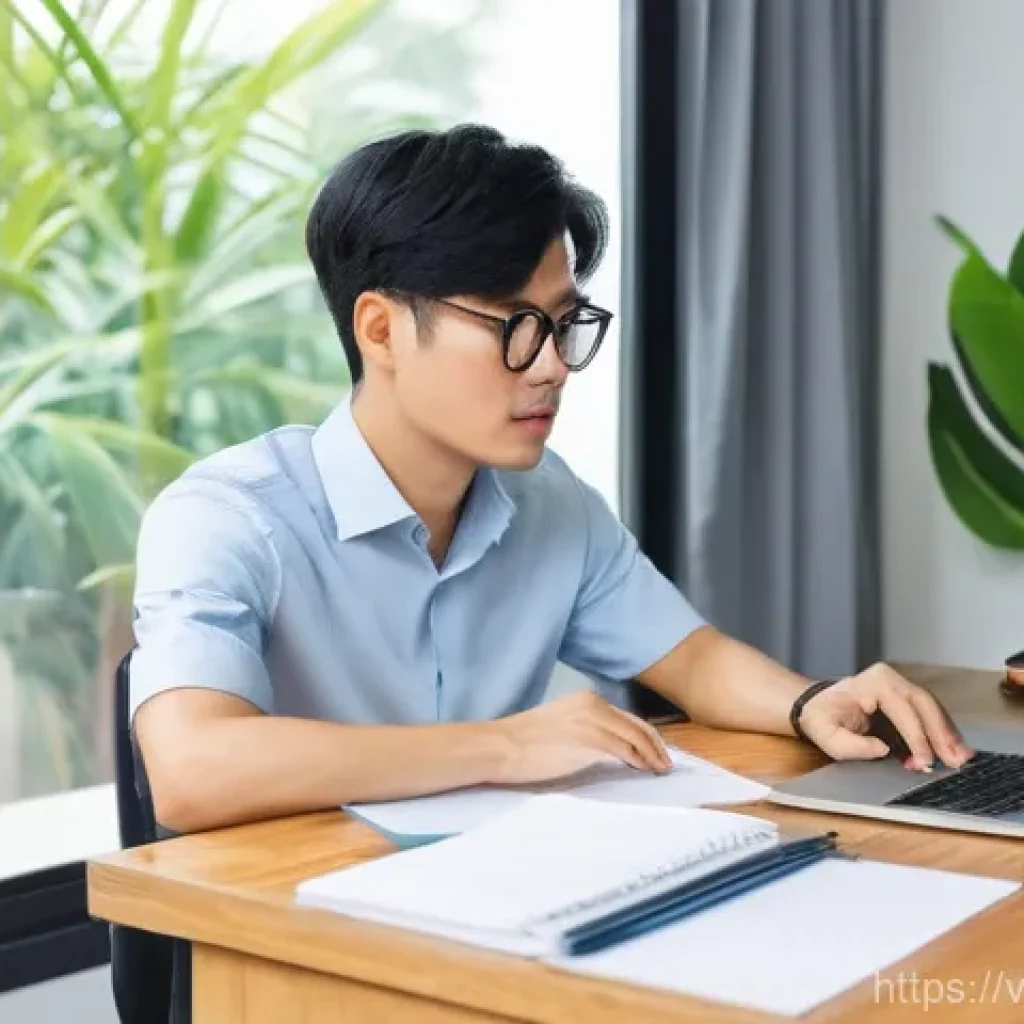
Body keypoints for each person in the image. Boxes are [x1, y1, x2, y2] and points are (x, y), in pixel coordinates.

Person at [130, 124, 971, 835]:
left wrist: (810, 701)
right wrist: (502, 746)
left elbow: (691, 658)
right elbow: (192, 767)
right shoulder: (228, 517)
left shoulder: (548, 501)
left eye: (564, 324)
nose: (553, 367)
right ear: (381, 331)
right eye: (514, 324)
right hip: (293, 922)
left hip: (509, 893)